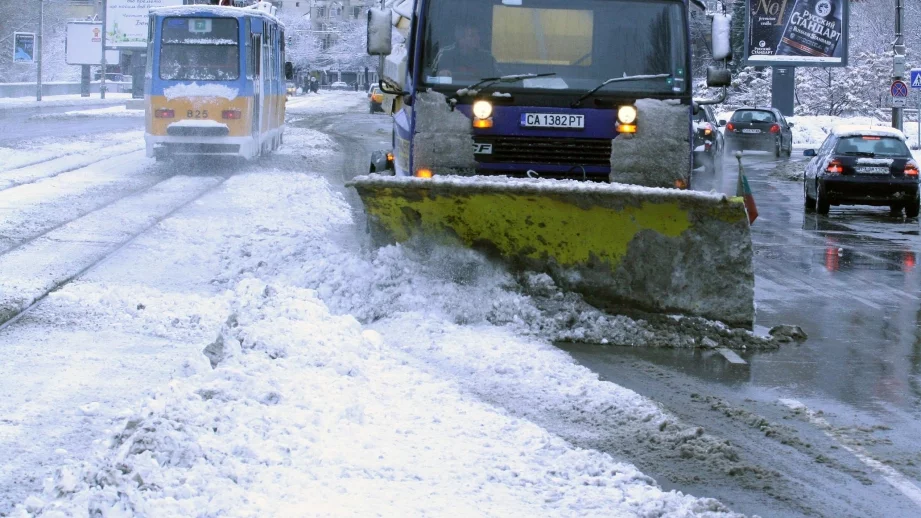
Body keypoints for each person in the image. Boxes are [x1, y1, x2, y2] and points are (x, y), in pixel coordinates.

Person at [432, 24, 499, 78]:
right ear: (461, 39)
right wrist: (441, 73)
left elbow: (499, 78)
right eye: (472, 35)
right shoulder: (445, 55)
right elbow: (432, 76)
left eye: (478, 34)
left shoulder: (487, 58)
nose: (478, 38)